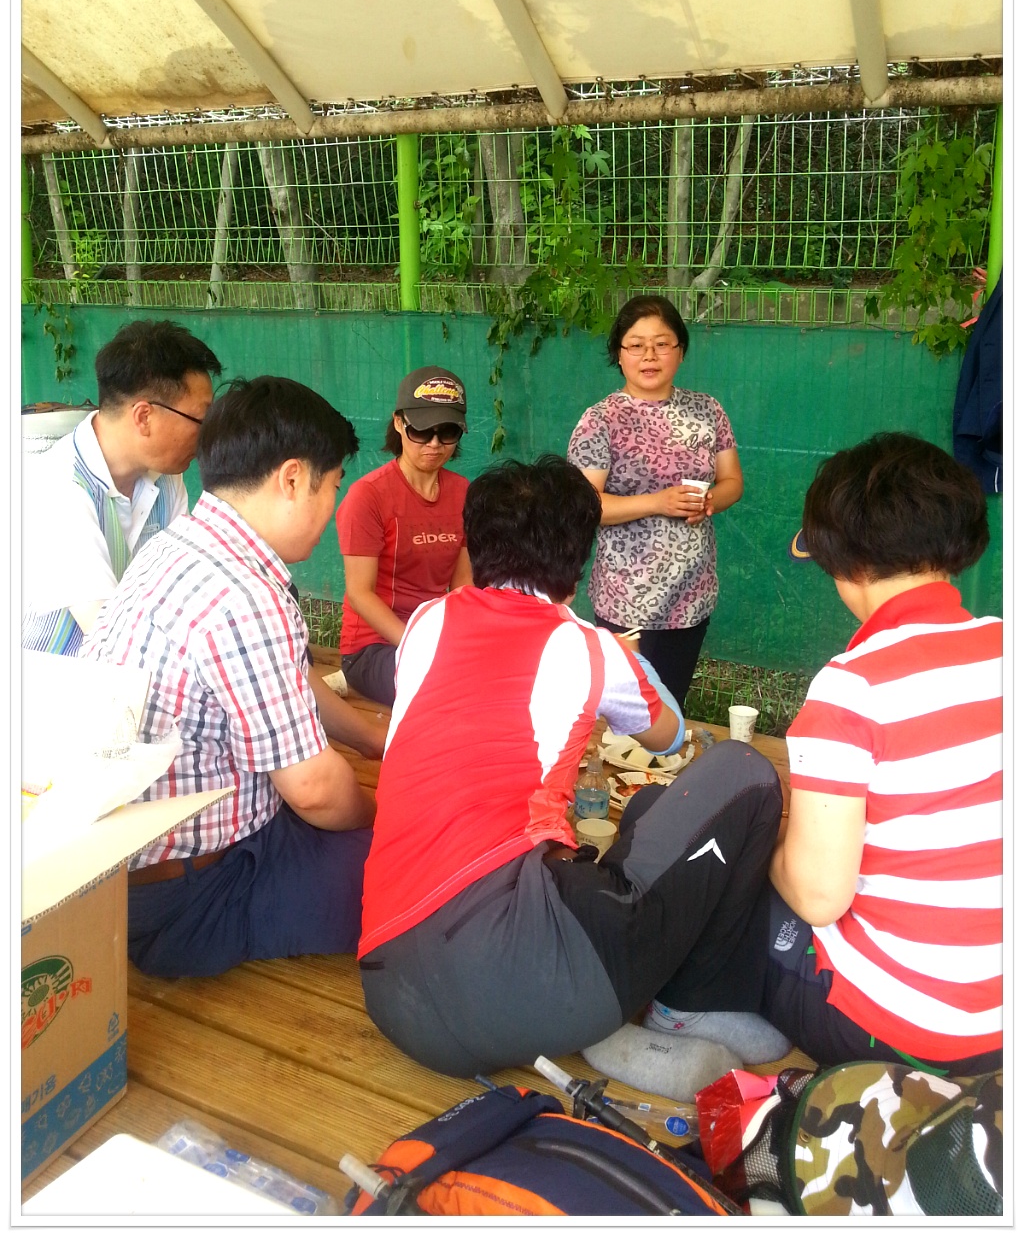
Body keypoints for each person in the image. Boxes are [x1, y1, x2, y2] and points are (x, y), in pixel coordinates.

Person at [590, 433, 1001, 1094]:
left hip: (898, 1032)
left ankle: (683, 1009)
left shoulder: (854, 686)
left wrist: (770, 841)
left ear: (844, 560)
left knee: (716, 850)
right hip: (1000, 1024)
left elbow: (818, 894)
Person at [357, 456, 783, 1080]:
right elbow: (668, 736)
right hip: (522, 977)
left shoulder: (427, 621)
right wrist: (621, 653)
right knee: (743, 771)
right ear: (580, 560)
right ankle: (683, 1009)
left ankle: (591, 1008)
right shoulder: (587, 644)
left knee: (642, 814)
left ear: (475, 544)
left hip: (391, 992)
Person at [81, 376, 385, 979]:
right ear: (292, 479)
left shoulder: (177, 546)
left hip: (132, 875)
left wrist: (375, 740)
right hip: (196, 899)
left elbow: (287, 682)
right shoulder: (245, 596)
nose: (333, 509)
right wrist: (388, 808)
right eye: (333, 487)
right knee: (427, 863)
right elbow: (315, 792)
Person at [568, 294, 743, 711]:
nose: (650, 355)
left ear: (680, 351)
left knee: (671, 706)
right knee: (627, 713)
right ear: (619, 354)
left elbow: (733, 481)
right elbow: (585, 506)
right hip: (627, 598)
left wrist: (710, 501)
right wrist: (658, 502)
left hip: (692, 594)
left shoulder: (707, 411)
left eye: (662, 344)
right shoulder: (600, 420)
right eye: (636, 345)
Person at [22, 319, 222, 655]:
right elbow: (110, 639)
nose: (206, 436)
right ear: (144, 417)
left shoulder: (165, 477)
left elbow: (179, 590)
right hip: (51, 678)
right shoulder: (59, 487)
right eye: (200, 420)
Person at [336, 366, 472, 705]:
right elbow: (360, 593)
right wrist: (419, 644)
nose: (435, 444)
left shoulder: (463, 493)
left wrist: (461, 642)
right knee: (447, 687)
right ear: (399, 423)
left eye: (448, 432)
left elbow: (462, 588)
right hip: (371, 648)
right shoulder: (368, 496)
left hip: (433, 638)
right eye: (422, 431)